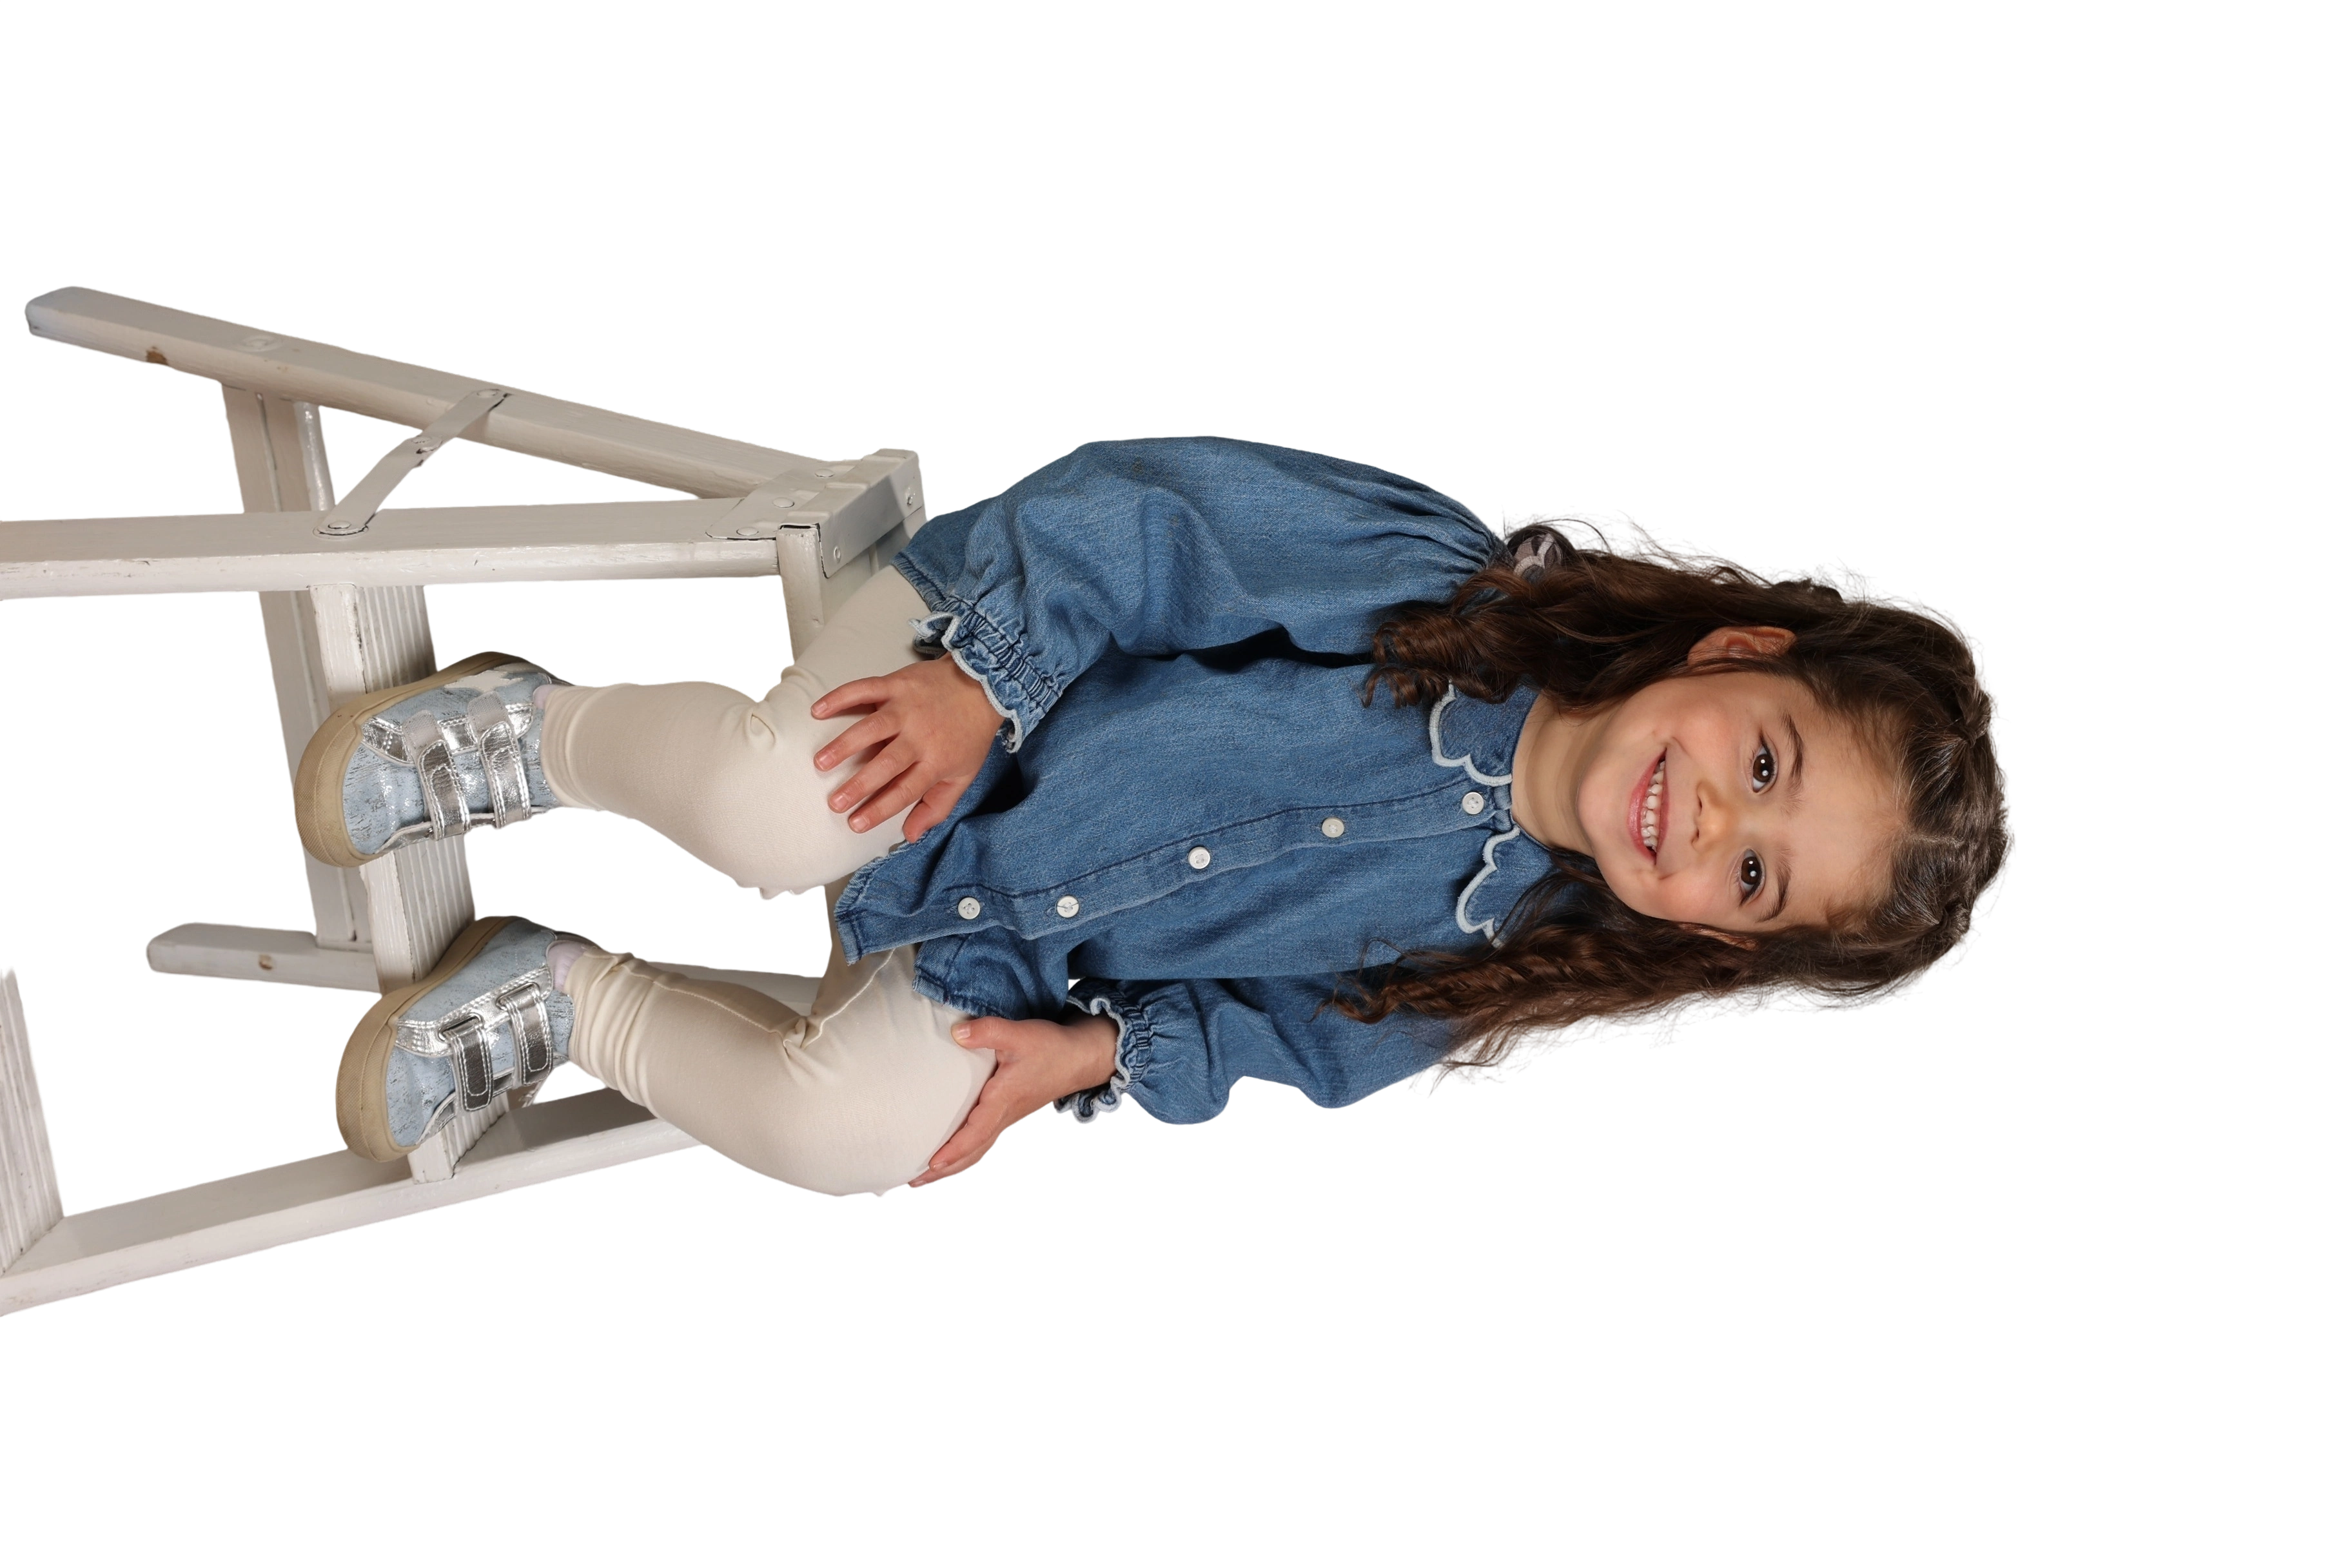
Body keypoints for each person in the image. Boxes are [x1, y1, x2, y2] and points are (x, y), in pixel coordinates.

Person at [297, 435, 2015, 1198]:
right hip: (977, 673)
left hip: (1018, 944)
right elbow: (1154, 524)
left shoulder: (1501, 969)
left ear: (1721, 936)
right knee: (778, 811)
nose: (1707, 819)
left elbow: (1286, 1039)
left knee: (860, 1141)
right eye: (1765, 763)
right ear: (1737, 652)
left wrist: (1095, 1058)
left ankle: (553, 998)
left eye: (1756, 873)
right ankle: (532, 738)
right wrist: (989, 680)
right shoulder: (1446, 590)